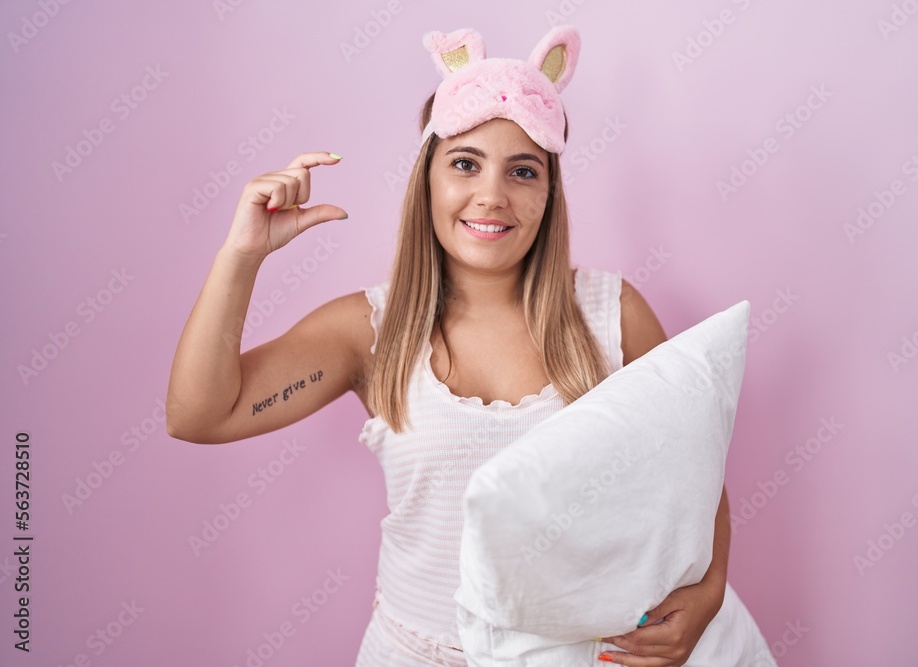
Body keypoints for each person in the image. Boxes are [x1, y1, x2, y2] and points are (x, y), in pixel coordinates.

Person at [166, 24, 733, 667]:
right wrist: (241, 257)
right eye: (465, 163)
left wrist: (708, 592)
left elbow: (694, 470)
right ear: (427, 179)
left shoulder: (612, 314)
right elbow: (199, 415)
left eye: (523, 171)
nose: (491, 195)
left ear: (549, 194)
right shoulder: (369, 331)